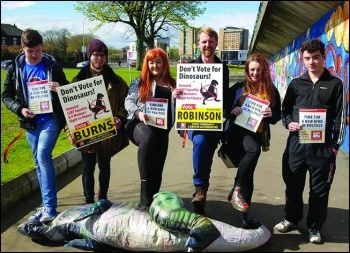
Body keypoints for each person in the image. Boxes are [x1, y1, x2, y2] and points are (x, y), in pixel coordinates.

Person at [274, 39, 346, 243]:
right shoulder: (296, 83)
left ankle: (314, 226)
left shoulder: (335, 84)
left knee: (319, 191)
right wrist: (288, 123)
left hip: (322, 148)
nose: (312, 62)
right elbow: (285, 110)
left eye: (316, 57)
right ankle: (291, 218)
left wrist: (334, 146)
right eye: (307, 58)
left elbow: (341, 116)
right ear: (302, 59)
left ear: (324, 57)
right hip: (296, 145)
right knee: (293, 186)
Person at [1, 28, 70, 222]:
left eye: (38, 50)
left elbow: (67, 89)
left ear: (42, 47)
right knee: (38, 164)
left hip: (51, 119)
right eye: (30, 51)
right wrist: (20, 109)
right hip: (30, 122)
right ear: (22, 48)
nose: (35, 55)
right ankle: (45, 203)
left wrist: (59, 87)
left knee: (42, 155)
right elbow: (6, 96)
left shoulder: (51, 65)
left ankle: (50, 208)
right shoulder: (15, 69)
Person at [223, 52, 281, 229]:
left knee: (249, 175)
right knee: (253, 151)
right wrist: (232, 111)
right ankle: (237, 187)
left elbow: (277, 115)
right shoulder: (239, 87)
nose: (255, 73)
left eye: (258, 70)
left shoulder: (271, 91)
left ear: (264, 70)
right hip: (236, 134)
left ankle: (245, 216)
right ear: (247, 70)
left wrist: (271, 115)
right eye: (252, 70)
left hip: (256, 134)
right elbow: (224, 107)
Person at [67, 39, 129, 204]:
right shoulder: (77, 80)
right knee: (87, 167)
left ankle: (103, 197)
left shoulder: (117, 82)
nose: (99, 59)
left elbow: (125, 105)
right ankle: (88, 199)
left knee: (104, 165)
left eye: (102, 55)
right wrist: (70, 132)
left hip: (107, 133)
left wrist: (120, 119)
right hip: (86, 133)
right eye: (95, 55)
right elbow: (69, 111)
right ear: (89, 56)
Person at [124, 48, 182, 208]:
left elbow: (182, 110)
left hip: (162, 129)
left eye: (158, 62)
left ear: (164, 63)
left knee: (158, 168)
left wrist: (177, 99)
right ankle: (144, 197)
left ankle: (152, 202)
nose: (155, 66)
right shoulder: (140, 81)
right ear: (146, 64)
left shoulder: (173, 84)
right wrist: (138, 113)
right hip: (138, 124)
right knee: (148, 137)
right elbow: (128, 101)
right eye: (151, 62)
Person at [186, 27, 230, 216]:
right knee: (201, 142)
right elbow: (184, 96)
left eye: (211, 41)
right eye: (204, 41)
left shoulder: (222, 68)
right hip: (193, 121)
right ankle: (200, 189)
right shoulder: (189, 67)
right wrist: (177, 94)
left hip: (214, 120)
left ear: (216, 43)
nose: (207, 45)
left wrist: (231, 110)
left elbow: (225, 97)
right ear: (198, 44)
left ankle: (201, 193)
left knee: (208, 150)